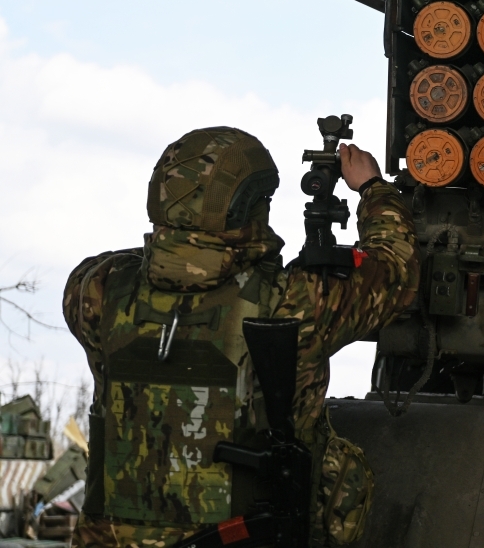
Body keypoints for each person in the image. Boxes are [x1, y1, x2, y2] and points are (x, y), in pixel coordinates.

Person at [62, 127, 419, 547]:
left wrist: (177, 247)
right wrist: (373, 187)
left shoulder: (96, 290)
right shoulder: (296, 301)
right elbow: (396, 268)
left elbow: (142, 263)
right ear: (251, 207)